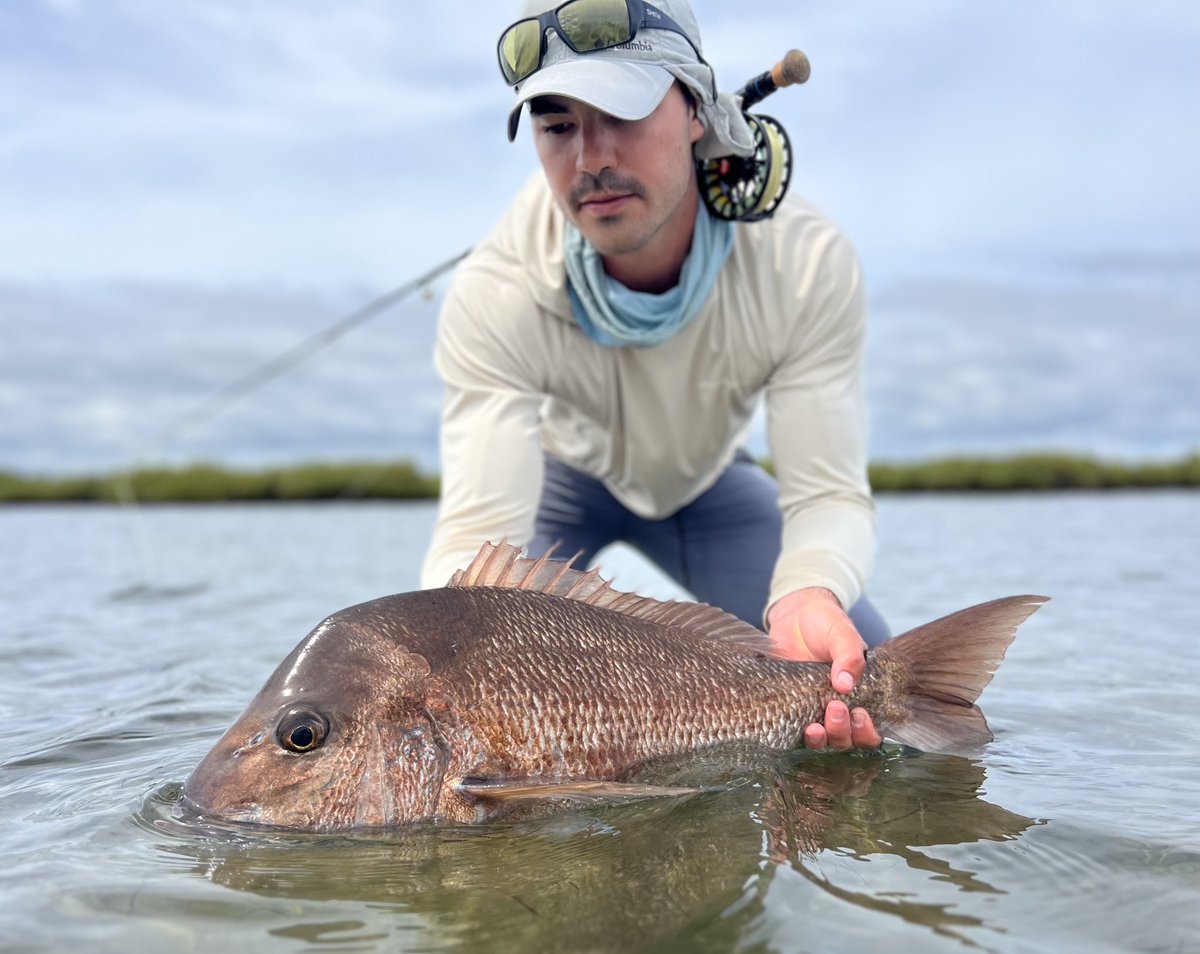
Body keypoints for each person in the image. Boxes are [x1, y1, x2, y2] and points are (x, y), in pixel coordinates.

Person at [422, 0, 885, 750]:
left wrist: (810, 589)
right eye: (557, 124)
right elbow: (477, 533)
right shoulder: (494, 288)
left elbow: (827, 493)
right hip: (564, 486)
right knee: (472, 640)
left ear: (697, 111)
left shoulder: (806, 261)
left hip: (711, 486)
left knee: (863, 687)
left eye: (623, 113)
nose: (591, 158)